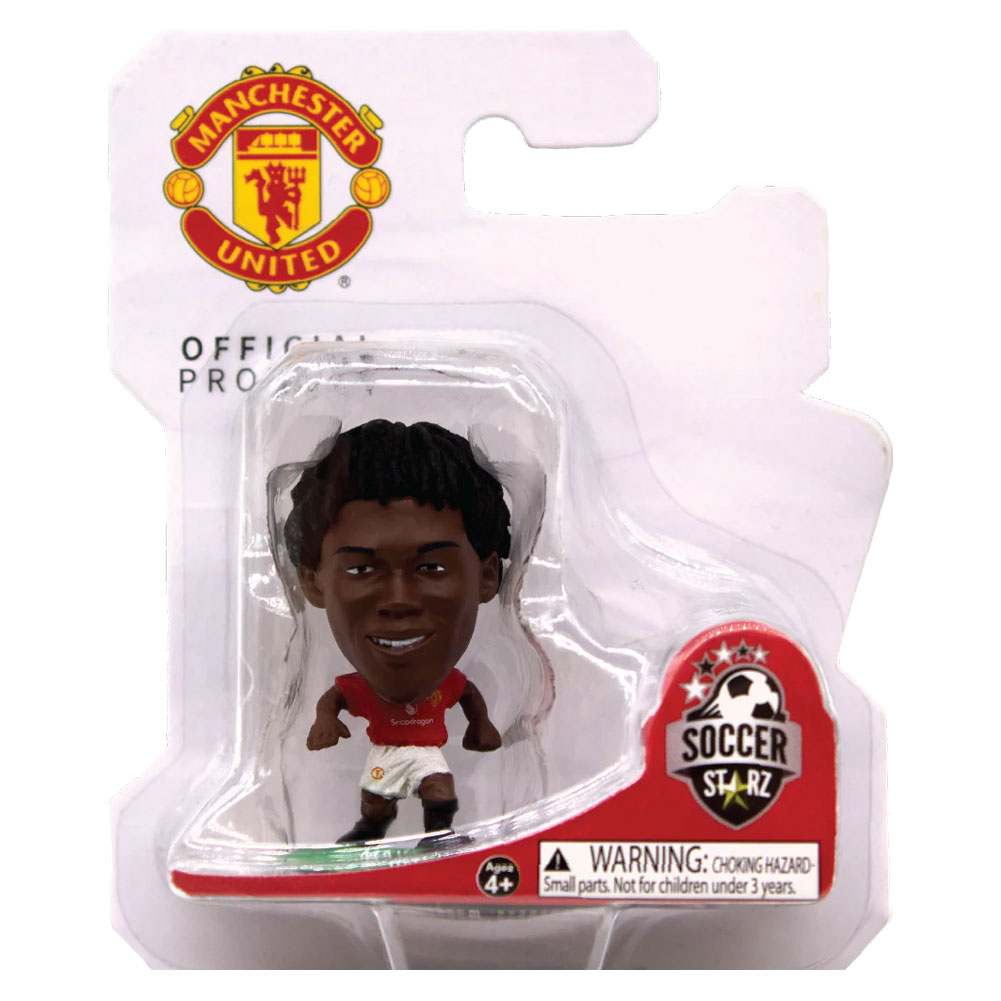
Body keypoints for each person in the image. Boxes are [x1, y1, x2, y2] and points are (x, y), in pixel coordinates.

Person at [284, 419, 510, 844]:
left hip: (425, 753)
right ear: (313, 582)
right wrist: (324, 721)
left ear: (487, 576)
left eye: (432, 568)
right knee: (376, 800)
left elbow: (467, 696)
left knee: (438, 789)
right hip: (384, 752)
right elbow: (335, 699)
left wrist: (481, 725)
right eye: (361, 570)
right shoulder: (358, 687)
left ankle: (439, 835)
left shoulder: (450, 684)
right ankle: (369, 831)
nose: (398, 600)